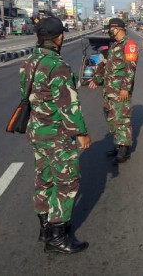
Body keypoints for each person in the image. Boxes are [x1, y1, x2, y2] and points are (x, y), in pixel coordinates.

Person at [21, 17, 91, 254]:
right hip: (56, 135)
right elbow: (68, 105)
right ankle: (57, 237)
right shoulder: (57, 65)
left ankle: (45, 228)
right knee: (67, 181)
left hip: (37, 131)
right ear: (59, 38)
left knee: (44, 178)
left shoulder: (30, 61)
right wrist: (81, 132)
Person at [89, 18, 138, 164]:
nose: (109, 30)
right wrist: (97, 79)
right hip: (109, 89)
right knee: (111, 117)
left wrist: (125, 88)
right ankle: (118, 145)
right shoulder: (114, 45)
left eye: (111, 28)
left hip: (120, 90)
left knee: (122, 118)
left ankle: (124, 151)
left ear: (118, 28)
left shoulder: (129, 45)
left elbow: (130, 69)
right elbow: (107, 66)